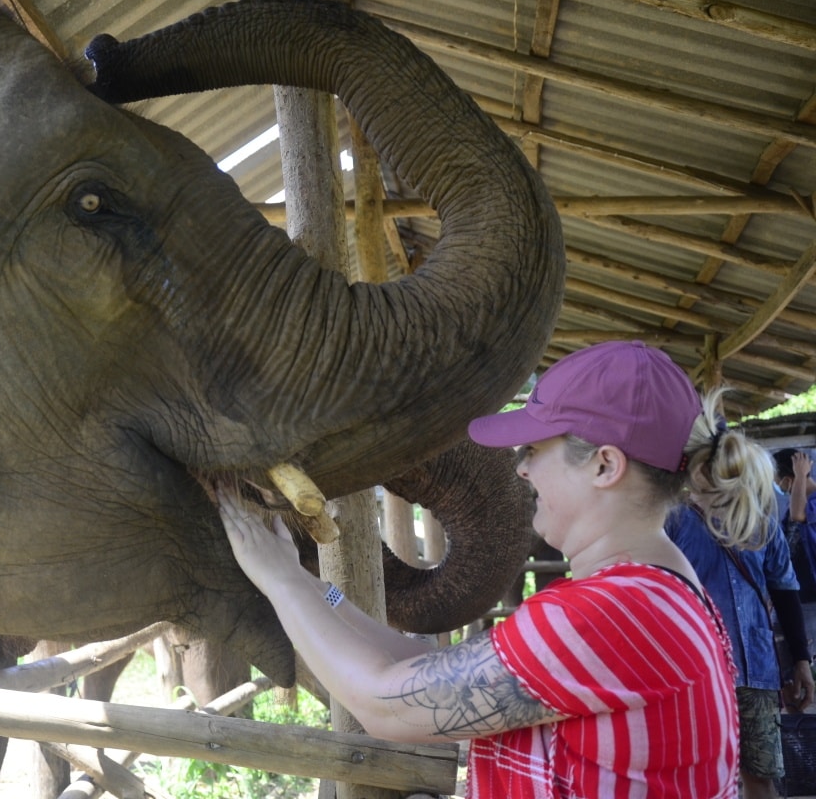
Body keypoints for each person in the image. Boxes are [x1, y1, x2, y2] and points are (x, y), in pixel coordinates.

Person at [215, 340, 760, 797]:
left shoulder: (610, 614)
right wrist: (315, 588)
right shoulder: (666, 589)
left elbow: (385, 704)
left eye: (534, 449)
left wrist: (278, 579)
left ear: (604, 465)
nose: (521, 469)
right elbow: (434, 668)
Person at [665, 463, 813, 798]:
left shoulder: (760, 522)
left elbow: (785, 591)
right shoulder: (672, 521)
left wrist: (800, 662)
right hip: (693, 676)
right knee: (697, 778)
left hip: (756, 672)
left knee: (760, 778)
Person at [776, 448, 816, 658]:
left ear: (788, 478)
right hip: (797, 594)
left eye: (778, 480)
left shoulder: (807, 502)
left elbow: (799, 514)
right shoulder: (793, 503)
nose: (778, 486)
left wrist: (800, 475)